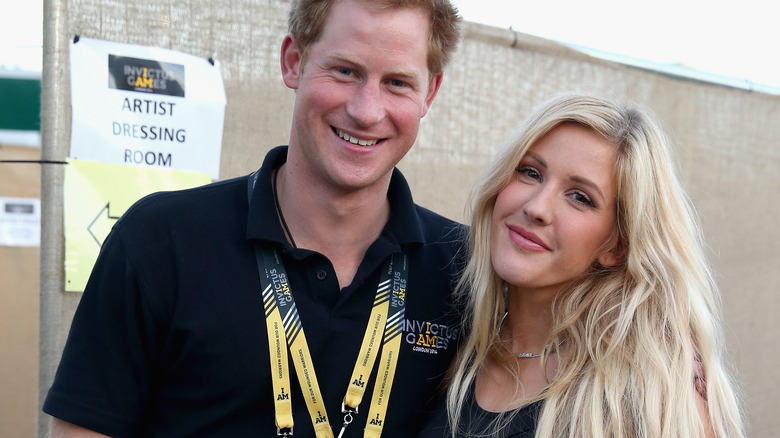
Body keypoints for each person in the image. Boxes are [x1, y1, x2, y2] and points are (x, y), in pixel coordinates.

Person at [43, 0, 463, 437]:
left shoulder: (465, 271)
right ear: (293, 62)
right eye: (345, 71)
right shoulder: (159, 241)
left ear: (429, 94)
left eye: (397, 82)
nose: (366, 110)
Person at [419, 92, 745, 437]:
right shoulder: (457, 345)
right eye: (530, 172)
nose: (537, 207)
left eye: (580, 197)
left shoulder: (649, 393)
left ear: (616, 245)